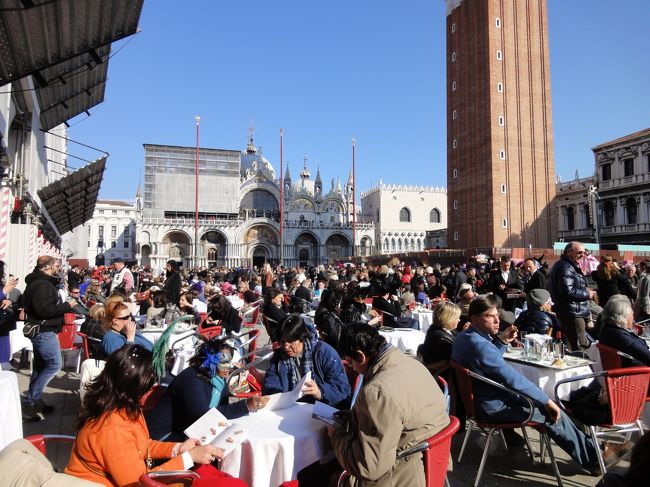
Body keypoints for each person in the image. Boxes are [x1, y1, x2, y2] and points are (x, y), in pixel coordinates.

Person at [451, 295, 600, 474]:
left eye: (497, 315)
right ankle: (594, 460)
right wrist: (546, 401)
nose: (498, 320)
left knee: (548, 404)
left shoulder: (465, 337)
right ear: (475, 319)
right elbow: (512, 379)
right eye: (490, 316)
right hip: (494, 406)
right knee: (554, 413)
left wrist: (500, 342)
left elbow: (486, 364)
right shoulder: (479, 344)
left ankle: (593, 450)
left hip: (481, 403)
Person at [65, 344, 243, 487]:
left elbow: (141, 445)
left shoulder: (122, 406)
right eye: (149, 386)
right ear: (133, 387)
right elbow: (138, 482)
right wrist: (188, 458)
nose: (152, 390)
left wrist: (177, 449)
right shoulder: (111, 426)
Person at [322, 323, 449, 487]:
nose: (352, 368)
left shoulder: (377, 391)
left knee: (328, 477)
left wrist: (336, 434)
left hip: (406, 473)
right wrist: (356, 416)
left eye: (350, 362)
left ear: (361, 356)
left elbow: (368, 467)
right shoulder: (410, 363)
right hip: (434, 460)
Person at [146, 338, 270, 441]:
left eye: (229, 361)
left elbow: (221, 409)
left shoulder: (219, 380)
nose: (229, 366)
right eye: (223, 361)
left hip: (191, 432)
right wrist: (245, 406)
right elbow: (202, 415)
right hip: (164, 437)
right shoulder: (191, 378)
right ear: (208, 360)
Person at [22, 256, 77, 420]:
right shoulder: (42, 285)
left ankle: (36, 400)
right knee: (54, 365)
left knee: (40, 367)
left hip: (43, 330)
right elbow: (44, 310)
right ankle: (31, 401)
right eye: (56, 265)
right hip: (44, 331)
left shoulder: (41, 283)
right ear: (47, 267)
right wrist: (67, 306)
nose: (58, 267)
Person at [262, 314, 351, 408]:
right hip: (290, 408)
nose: (286, 347)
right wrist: (276, 398)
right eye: (282, 342)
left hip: (320, 407)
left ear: (302, 338)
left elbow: (342, 389)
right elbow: (271, 382)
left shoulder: (324, 353)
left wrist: (320, 392)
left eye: (291, 341)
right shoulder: (279, 356)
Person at [548, 242, 597, 351]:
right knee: (579, 347)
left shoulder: (568, 265)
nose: (583, 255)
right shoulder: (565, 267)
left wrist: (584, 290)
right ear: (569, 252)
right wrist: (587, 294)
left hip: (572, 311)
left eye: (585, 253)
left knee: (573, 345)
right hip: (573, 313)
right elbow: (567, 292)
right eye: (580, 252)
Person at [599, 295, 650, 366]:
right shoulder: (620, 336)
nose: (633, 319)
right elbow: (647, 356)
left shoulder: (606, 328)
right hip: (637, 372)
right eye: (631, 315)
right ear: (624, 317)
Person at [418, 301, 461, 374]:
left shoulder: (440, 329)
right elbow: (459, 354)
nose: (459, 320)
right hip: (446, 376)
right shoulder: (440, 337)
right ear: (448, 319)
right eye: (457, 318)